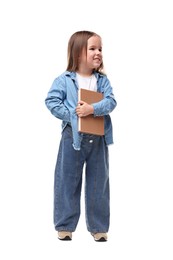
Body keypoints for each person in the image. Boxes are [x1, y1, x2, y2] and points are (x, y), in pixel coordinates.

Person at [45, 30, 117, 242]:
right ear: (78, 54)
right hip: (72, 138)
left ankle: (99, 227)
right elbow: (51, 101)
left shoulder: (102, 81)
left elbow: (111, 101)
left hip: (98, 138)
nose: (98, 53)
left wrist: (91, 109)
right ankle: (65, 225)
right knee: (67, 180)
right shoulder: (64, 79)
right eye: (92, 49)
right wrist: (73, 114)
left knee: (99, 183)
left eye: (100, 49)